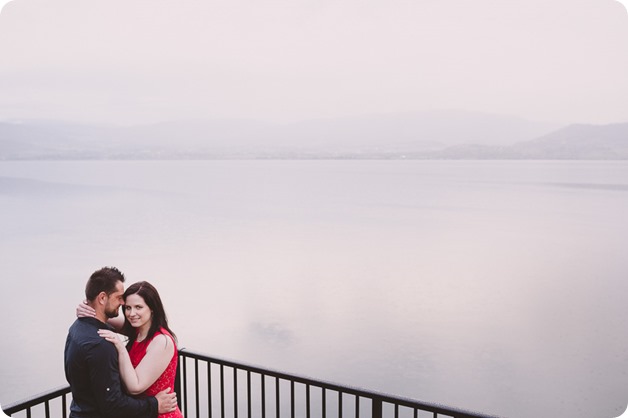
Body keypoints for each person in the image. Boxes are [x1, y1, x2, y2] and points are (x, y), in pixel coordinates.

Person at [65, 267, 178, 418]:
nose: (132, 314)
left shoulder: (162, 342)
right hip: (141, 412)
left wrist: (120, 348)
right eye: (127, 307)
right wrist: (87, 306)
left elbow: (135, 387)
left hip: (159, 412)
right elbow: (103, 314)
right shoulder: (135, 329)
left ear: (152, 309)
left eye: (138, 307)